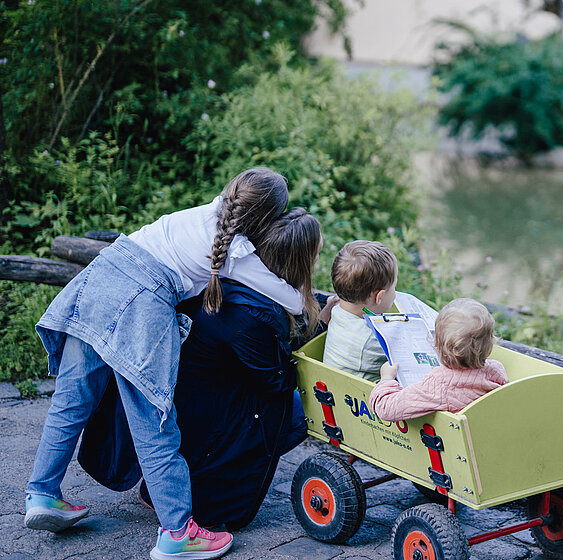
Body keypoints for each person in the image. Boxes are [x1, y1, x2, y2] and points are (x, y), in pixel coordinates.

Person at [25, 168, 302, 560]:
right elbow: (289, 301)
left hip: (103, 275)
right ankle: (177, 534)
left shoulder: (205, 213)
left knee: (70, 402)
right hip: (142, 301)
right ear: (266, 219)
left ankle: (42, 493)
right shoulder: (237, 253)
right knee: (154, 422)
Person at [169, 207, 323, 529]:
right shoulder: (250, 318)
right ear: (299, 262)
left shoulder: (237, 276)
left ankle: (174, 480)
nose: (317, 263)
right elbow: (277, 381)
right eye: (316, 255)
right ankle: (211, 484)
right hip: (208, 419)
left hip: (193, 398)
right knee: (300, 411)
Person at [369, 298, 508, 420]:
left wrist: (386, 379)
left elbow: (385, 408)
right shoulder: (495, 370)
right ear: (489, 349)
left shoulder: (437, 385)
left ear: (435, 345)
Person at [321, 240, 399, 380]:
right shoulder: (372, 341)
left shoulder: (337, 310)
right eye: (393, 288)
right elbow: (404, 357)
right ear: (379, 296)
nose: (395, 293)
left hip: (339, 391)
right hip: (363, 399)